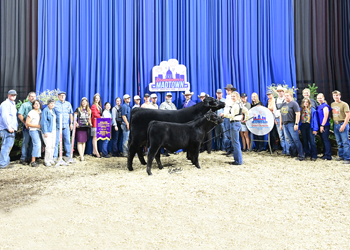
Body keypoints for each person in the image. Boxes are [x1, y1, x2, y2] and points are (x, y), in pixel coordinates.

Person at [224, 91, 248, 165]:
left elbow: (232, 115)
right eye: (232, 96)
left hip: (234, 123)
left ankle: (238, 161)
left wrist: (224, 114)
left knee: (235, 142)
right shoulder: (240, 104)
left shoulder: (235, 105)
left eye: (234, 96)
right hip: (236, 123)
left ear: (237, 97)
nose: (232, 98)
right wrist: (246, 118)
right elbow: (246, 111)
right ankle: (237, 160)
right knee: (235, 142)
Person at [280, 90, 305, 161]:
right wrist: (281, 124)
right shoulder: (283, 104)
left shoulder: (294, 103)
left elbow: (298, 113)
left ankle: (301, 155)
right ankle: (294, 154)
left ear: (291, 96)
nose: (286, 97)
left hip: (291, 123)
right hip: (285, 124)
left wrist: (296, 123)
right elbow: (281, 114)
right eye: (285, 96)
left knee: (296, 139)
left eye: (287, 96)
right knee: (290, 140)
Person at [0, 90, 18, 169]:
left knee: (8, 146)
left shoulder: (12, 104)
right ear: (8, 95)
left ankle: (5, 162)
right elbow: (4, 116)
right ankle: (3, 164)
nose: (13, 96)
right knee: (6, 146)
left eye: (14, 95)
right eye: (12, 95)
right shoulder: (5, 104)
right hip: (7, 129)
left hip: (11, 129)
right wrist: (9, 127)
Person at [331, 90, 350, 164]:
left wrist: (344, 125)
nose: (335, 97)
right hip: (335, 124)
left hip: (342, 123)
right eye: (334, 95)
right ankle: (341, 155)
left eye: (337, 95)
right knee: (339, 142)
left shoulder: (344, 104)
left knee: (345, 142)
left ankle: (347, 157)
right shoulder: (332, 104)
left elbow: (348, 115)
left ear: (340, 96)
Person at [53, 91, 73, 162]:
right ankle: (55, 157)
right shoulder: (55, 104)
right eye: (61, 95)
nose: (62, 97)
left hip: (66, 126)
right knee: (56, 141)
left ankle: (68, 156)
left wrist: (71, 123)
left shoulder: (68, 104)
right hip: (58, 126)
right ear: (58, 97)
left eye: (63, 95)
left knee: (67, 140)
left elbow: (70, 113)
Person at [18, 91, 36, 165]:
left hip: (35, 129)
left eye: (34, 96)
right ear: (29, 97)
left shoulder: (37, 106)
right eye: (31, 96)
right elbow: (20, 114)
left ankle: (30, 158)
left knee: (32, 143)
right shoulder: (25, 105)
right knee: (26, 143)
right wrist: (25, 123)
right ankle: (23, 158)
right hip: (27, 128)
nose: (33, 98)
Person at [220, 84, 237, 155]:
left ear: (232, 90)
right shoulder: (227, 98)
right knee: (227, 134)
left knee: (230, 134)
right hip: (226, 117)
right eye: (227, 90)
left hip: (229, 117)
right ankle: (229, 149)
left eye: (229, 90)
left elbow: (231, 109)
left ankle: (232, 150)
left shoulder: (232, 98)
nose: (227, 91)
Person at [274, 85, 290, 156]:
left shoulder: (286, 100)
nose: (280, 93)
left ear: (283, 92)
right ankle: (284, 149)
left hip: (285, 119)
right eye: (278, 91)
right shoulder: (276, 100)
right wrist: (274, 118)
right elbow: (274, 110)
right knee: (281, 135)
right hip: (277, 118)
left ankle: (288, 150)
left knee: (287, 135)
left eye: (281, 91)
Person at [26, 100, 42, 167]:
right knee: (37, 144)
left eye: (38, 103)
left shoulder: (40, 112)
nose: (37, 105)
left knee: (34, 145)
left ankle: (33, 159)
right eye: (35, 104)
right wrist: (37, 126)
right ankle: (33, 161)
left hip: (39, 131)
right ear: (33, 105)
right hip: (33, 130)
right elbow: (27, 123)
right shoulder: (31, 112)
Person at [74, 97, 91, 161]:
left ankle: (82, 155)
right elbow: (75, 117)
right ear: (81, 103)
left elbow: (89, 119)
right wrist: (76, 123)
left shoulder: (89, 110)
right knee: (79, 141)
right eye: (83, 102)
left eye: (85, 102)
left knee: (84, 141)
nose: (84, 103)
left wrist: (90, 124)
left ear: (87, 103)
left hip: (85, 128)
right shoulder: (78, 109)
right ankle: (81, 156)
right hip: (80, 127)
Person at [41, 99, 57, 167]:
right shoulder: (45, 110)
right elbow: (43, 121)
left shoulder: (53, 110)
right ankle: (46, 160)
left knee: (53, 145)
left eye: (53, 103)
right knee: (48, 146)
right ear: (48, 104)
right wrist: (45, 131)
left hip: (53, 130)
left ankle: (50, 159)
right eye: (51, 103)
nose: (52, 105)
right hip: (48, 130)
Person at [316, 93, 332, 160]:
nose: (319, 99)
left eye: (320, 98)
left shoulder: (325, 106)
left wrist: (322, 125)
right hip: (320, 125)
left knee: (326, 140)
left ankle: (328, 155)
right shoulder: (318, 106)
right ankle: (325, 153)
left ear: (323, 98)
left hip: (324, 125)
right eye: (318, 98)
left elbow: (326, 116)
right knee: (323, 140)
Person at [91, 93, 103, 158]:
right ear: (94, 99)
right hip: (95, 123)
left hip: (99, 123)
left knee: (96, 138)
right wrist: (100, 117)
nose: (97, 99)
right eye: (96, 98)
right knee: (95, 138)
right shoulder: (93, 106)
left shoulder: (99, 106)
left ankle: (94, 152)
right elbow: (95, 114)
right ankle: (97, 152)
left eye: (98, 98)